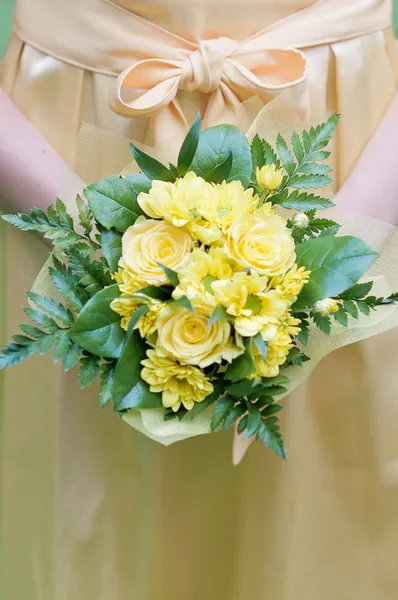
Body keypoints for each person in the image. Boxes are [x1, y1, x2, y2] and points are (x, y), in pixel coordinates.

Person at [1, 1, 398, 598]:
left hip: (352, 161)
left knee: (322, 519)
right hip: (61, 158)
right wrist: (80, 231)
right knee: (95, 514)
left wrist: (353, 244)